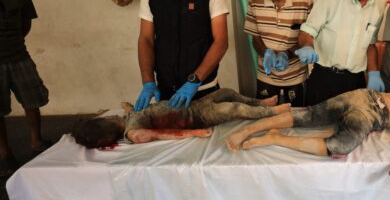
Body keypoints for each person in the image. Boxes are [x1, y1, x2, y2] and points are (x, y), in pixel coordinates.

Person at [226, 87, 390, 180]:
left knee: (318, 124)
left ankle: (268, 135)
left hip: (370, 109)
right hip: (369, 100)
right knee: (313, 121)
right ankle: (261, 132)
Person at [135, 0, 229, 112]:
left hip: (203, 91)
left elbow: (221, 42)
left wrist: (194, 80)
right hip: (165, 93)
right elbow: (145, 39)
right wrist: (148, 82)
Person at [296, 0, 390, 105]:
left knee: (352, 127)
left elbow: (370, 44)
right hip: (324, 79)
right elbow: (307, 32)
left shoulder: (380, 3)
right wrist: (307, 46)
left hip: (355, 82)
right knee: (315, 127)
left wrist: (374, 72)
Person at [72, 88, 291, 149]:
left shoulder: (128, 118)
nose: (110, 114)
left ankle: (260, 103)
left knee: (227, 91)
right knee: (233, 108)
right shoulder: (133, 132)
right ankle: (273, 113)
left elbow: (130, 110)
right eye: (107, 117)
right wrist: (193, 132)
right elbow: (158, 134)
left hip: (193, 105)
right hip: (197, 118)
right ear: (107, 124)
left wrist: (128, 106)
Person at [0, 0, 50, 175]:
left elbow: (25, 26)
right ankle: (5, 154)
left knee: (33, 101)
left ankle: (36, 143)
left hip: (19, 57)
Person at [244, 0, 313, 107]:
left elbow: (309, 36)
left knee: (296, 119)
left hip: (296, 77)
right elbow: (255, 39)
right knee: (266, 119)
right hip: (265, 77)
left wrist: (287, 54)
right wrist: (266, 52)